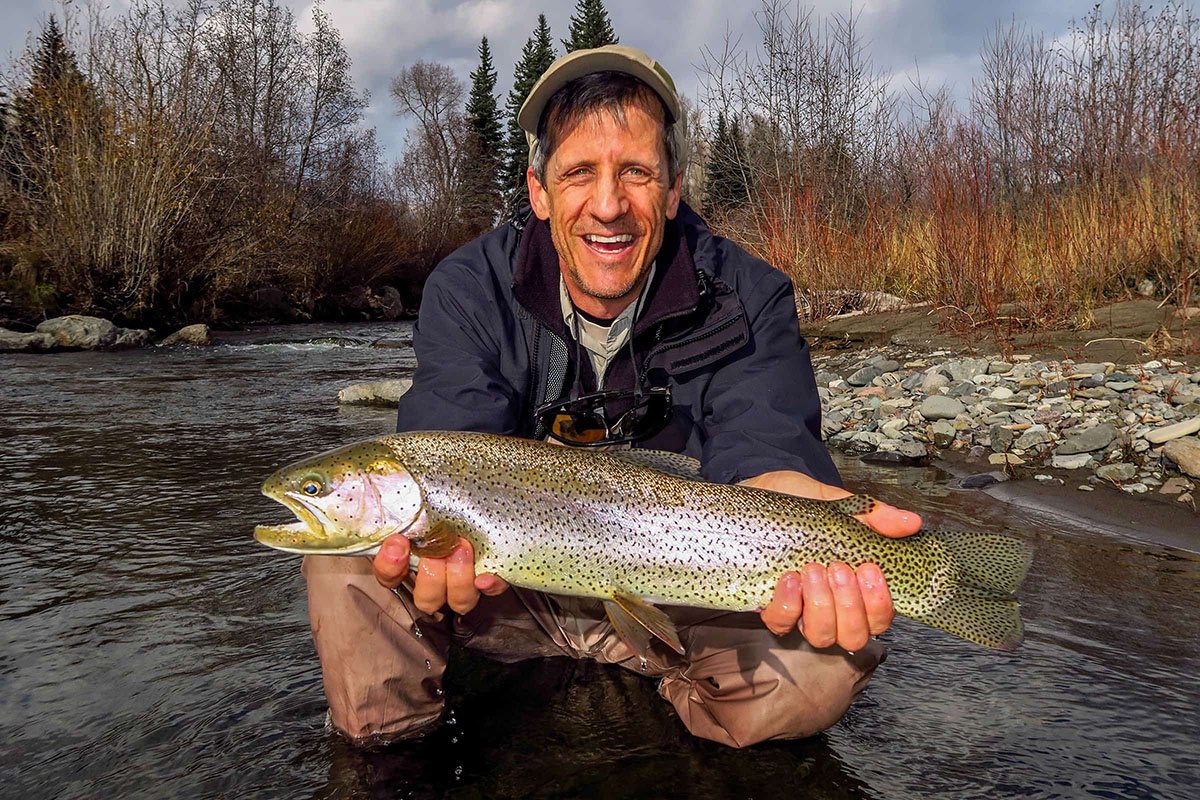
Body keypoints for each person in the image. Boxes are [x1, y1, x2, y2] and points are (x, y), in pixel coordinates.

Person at [302, 45, 922, 749]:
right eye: (578, 173)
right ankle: (390, 766)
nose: (608, 205)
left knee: (826, 660)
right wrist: (433, 546)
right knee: (349, 549)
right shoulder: (468, 289)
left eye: (635, 172)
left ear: (672, 189)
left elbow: (765, 447)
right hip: (509, 593)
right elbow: (449, 441)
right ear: (537, 192)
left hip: (682, 587)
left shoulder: (748, 295)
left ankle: (680, 712)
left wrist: (813, 522)